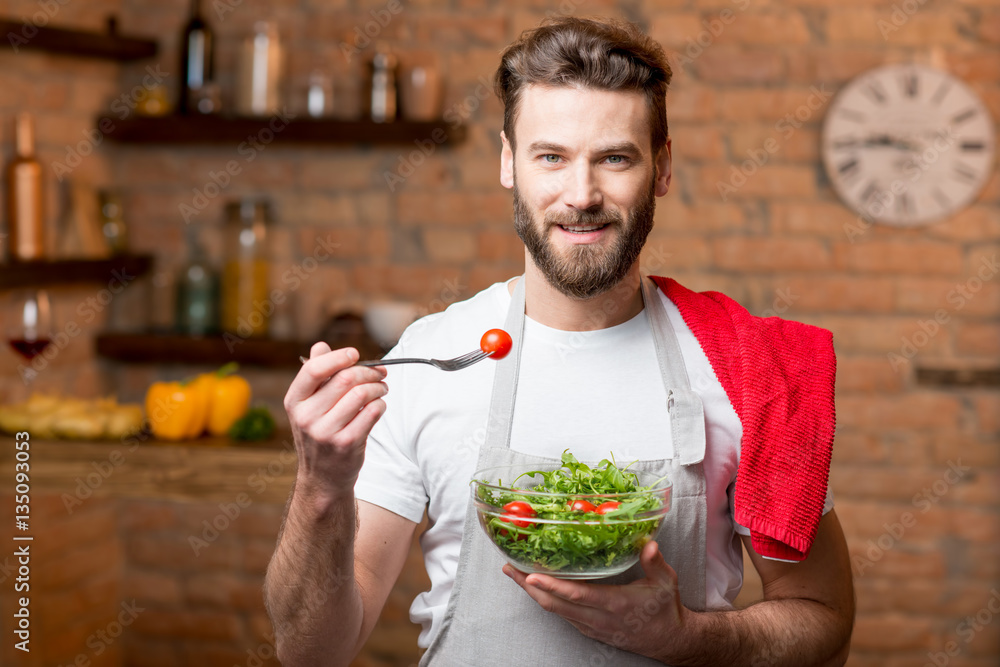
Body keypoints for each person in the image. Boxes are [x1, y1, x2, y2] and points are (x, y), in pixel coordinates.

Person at [265, 16, 855, 666]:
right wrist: (320, 487)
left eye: (615, 157)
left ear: (662, 166)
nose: (581, 195)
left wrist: (685, 636)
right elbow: (310, 653)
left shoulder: (747, 370)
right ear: (506, 163)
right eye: (551, 157)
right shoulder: (432, 357)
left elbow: (822, 620)